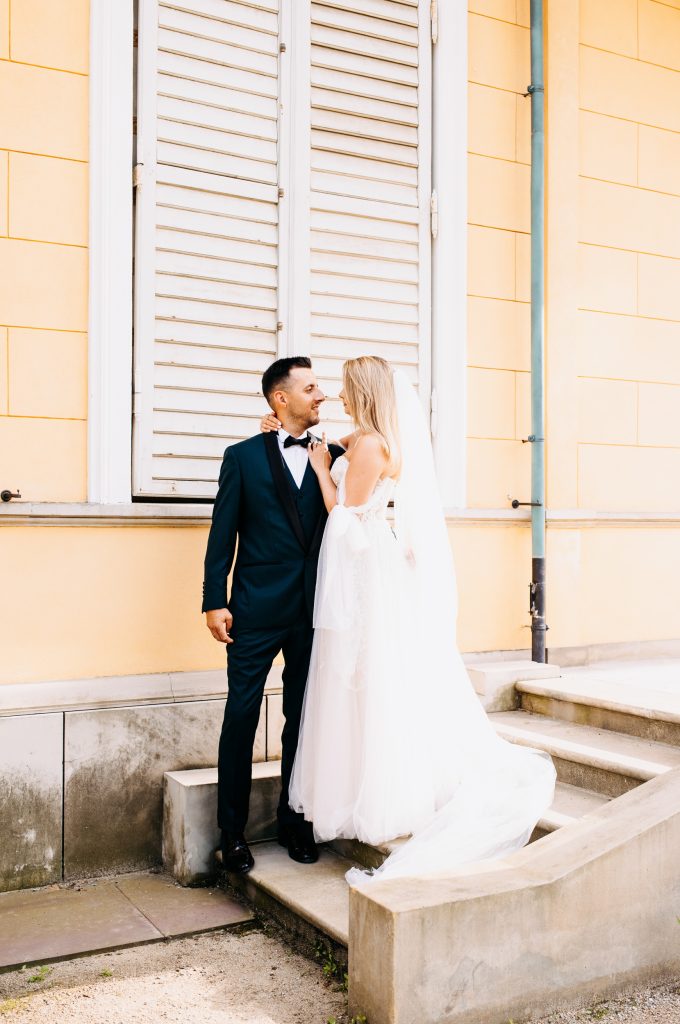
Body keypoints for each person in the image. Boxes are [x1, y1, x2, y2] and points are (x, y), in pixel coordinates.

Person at [260, 355, 556, 882]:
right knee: (363, 672)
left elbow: (344, 514)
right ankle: (359, 783)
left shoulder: (372, 444)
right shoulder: (371, 437)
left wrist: (325, 471)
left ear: (366, 389)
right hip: (369, 561)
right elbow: (330, 441)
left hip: (363, 562)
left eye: (346, 388)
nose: (337, 395)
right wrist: (286, 433)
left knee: (362, 671)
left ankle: (378, 794)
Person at [202, 356, 344, 874]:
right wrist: (213, 599)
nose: (321, 395)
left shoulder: (339, 454)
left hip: (314, 611)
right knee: (240, 716)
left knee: (303, 720)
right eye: (310, 388)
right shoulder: (241, 457)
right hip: (255, 610)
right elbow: (223, 534)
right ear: (280, 399)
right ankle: (231, 832)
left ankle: (295, 822)